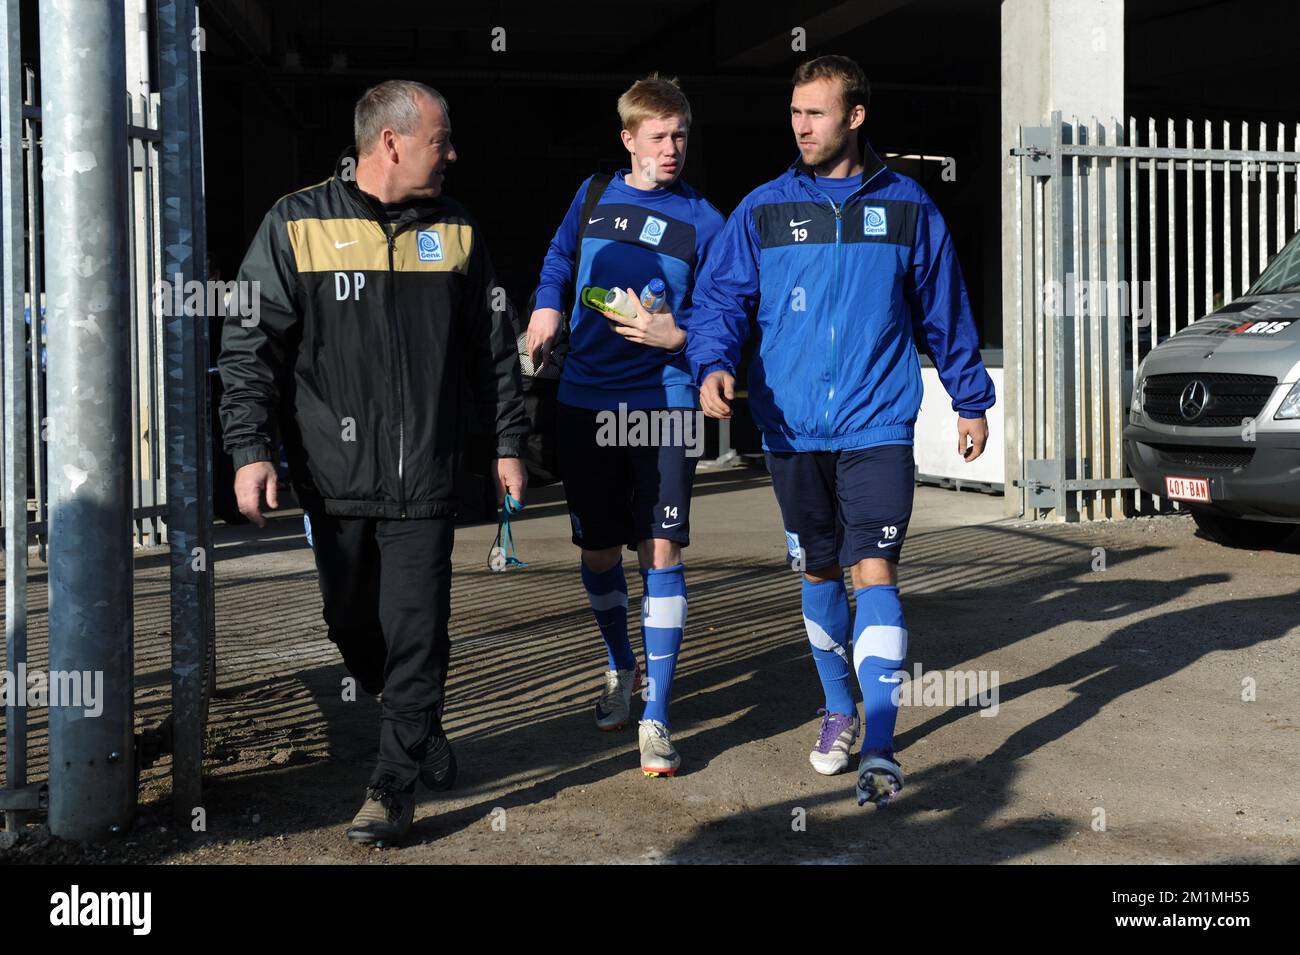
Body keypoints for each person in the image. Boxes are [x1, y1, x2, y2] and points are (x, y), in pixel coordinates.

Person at [219, 80, 528, 845]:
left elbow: (493, 351)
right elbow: (249, 347)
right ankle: (418, 723)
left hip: (426, 474)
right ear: (390, 143)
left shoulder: (456, 230)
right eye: (440, 138)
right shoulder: (296, 224)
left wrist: (509, 443)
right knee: (352, 624)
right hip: (335, 477)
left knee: (417, 626)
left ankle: (393, 783)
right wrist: (250, 450)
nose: (452, 152)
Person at [687, 56, 995, 806]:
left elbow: (943, 307)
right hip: (791, 426)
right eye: (794, 111)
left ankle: (882, 745)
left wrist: (969, 396)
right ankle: (838, 710)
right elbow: (720, 299)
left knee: (874, 569)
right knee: (819, 571)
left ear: (856, 116)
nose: (800, 125)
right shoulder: (761, 208)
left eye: (816, 112)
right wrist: (712, 362)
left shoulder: (909, 206)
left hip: (877, 421)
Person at [526, 75, 724, 776]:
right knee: (601, 553)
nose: (673, 149)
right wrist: (546, 308)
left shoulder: (706, 219)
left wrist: (682, 336)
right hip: (586, 401)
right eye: (661, 137)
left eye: (682, 136)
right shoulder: (591, 196)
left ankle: (657, 716)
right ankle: (622, 668)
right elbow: (556, 262)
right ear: (629, 139)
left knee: (661, 551)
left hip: (665, 407)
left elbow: (731, 310)